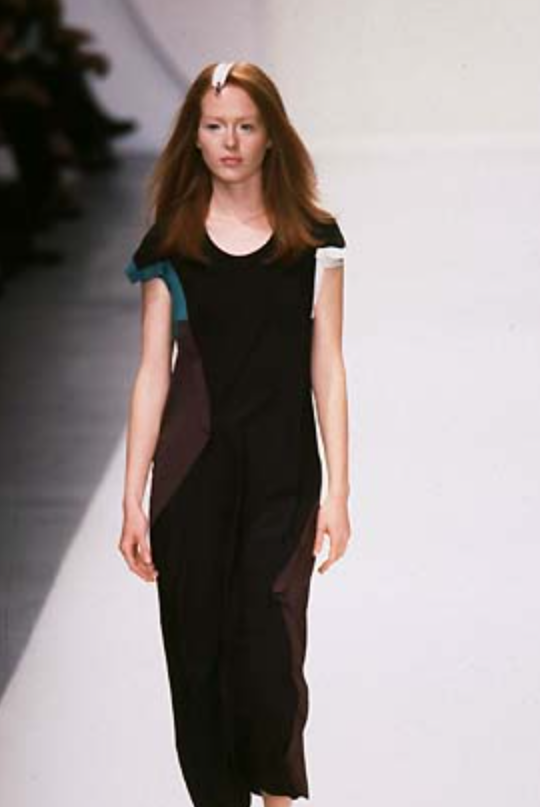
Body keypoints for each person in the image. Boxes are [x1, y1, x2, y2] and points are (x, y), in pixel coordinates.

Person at [118, 60, 352, 807]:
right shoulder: (173, 243)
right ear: (194, 137)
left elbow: (328, 364)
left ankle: (278, 799)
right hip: (192, 478)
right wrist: (132, 498)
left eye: (246, 126)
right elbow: (153, 372)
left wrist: (339, 491)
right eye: (215, 126)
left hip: (284, 475)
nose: (230, 141)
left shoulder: (313, 241)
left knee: (270, 650)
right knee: (198, 659)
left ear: (271, 136)